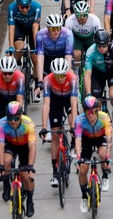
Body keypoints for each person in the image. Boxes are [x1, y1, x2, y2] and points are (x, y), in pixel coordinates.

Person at [39, 58, 79, 188]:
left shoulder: (72, 78)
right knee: (55, 135)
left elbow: (74, 103)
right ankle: (55, 172)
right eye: (57, 75)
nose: (60, 78)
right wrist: (44, 127)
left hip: (68, 99)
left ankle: (73, 144)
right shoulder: (47, 80)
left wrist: (73, 127)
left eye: (63, 75)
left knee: (73, 118)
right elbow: (46, 105)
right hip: (55, 100)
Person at [0, 102, 37, 217]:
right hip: (10, 145)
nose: (13, 121)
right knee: (6, 162)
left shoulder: (28, 123)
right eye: (10, 118)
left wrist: (30, 166)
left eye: (16, 118)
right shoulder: (1, 124)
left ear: (21, 115)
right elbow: (0, 145)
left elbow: (32, 146)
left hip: (24, 146)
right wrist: (1, 166)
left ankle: (29, 200)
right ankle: (6, 184)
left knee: (26, 176)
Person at [74, 95, 113, 214]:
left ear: (98, 110)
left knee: (102, 154)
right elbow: (78, 140)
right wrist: (78, 158)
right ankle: (84, 197)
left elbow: (109, 138)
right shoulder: (79, 120)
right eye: (88, 112)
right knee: (83, 170)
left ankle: (105, 175)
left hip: (99, 137)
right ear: (84, 111)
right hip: (86, 140)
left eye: (94, 111)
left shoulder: (104, 117)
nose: (91, 115)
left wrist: (107, 157)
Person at [83, 29, 113, 126]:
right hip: (97, 74)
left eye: (104, 46)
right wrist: (88, 93)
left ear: (108, 43)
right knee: (96, 103)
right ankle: (100, 124)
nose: (101, 48)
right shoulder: (90, 52)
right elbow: (87, 74)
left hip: (112, 72)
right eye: (99, 46)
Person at [35, 14, 74, 100]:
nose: (56, 31)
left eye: (58, 28)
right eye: (53, 29)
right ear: (48, 28)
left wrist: (67, 75)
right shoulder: (41, 35)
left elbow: (68, 56)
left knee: (68, 74)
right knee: (49, 81)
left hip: (63, 56)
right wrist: (40, 81)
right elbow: (40, 58)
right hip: (48, 57)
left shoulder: (68, 33)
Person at [0, 57, 26, 133]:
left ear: (14, 71)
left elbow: (19, 99)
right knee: (0, 129)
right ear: (1, 71)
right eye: (4, 73)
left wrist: (19, 117)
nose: (7, 76)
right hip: (1, 100)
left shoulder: (20, 77)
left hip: (15, 99)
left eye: (10, 73)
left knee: (18, 126)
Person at [64, 1, 102, 76]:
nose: (82, 17)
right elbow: (68, 38)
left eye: (84, 15)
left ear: (88, 13)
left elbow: (99, 36)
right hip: (77, 38)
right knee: (76, 54)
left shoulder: (95, 20)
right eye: (79, 15)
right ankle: (76, 73)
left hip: (90, 38)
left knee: (93, 55)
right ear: (75, 14)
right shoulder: (69, 21)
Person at [7, 0, 41, 72]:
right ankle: (17, 64)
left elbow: (35, 26)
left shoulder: (37, 7)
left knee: (36, 60)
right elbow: (11, 27)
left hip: (32, 27)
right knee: (19, 48)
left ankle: (37, 82)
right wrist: (11, 47)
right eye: (22, 7)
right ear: (17, 5)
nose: (25, 10)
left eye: (27, 7)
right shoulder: (11, 8)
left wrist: (36, 47)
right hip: (19, 27)